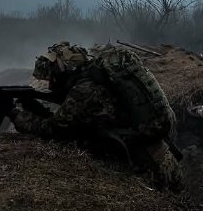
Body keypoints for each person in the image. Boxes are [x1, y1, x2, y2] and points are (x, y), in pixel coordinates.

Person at [9, 42, 182, 190]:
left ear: (65, 73)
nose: (52, 84)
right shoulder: (94, 79)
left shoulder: (85, 91)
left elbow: (54, 128)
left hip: (149, 165)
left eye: (53, 79)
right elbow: (71, 122)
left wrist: (16, 115)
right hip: (158, 156)